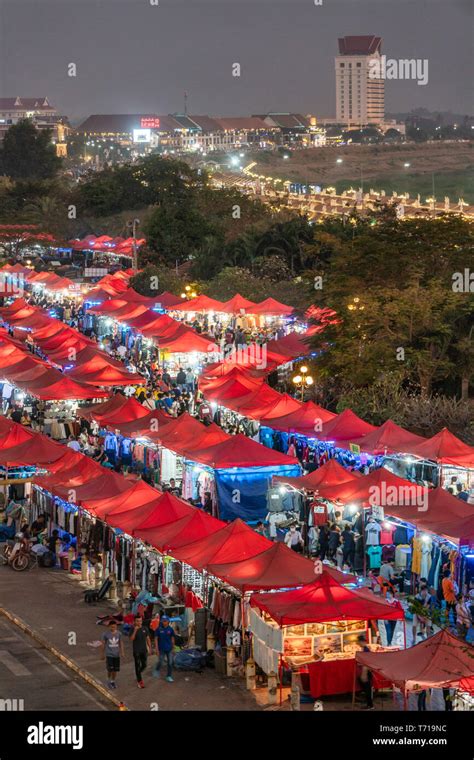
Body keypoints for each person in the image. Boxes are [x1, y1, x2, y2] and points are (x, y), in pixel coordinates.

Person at [101, 620, 124, 689]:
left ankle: (112, 681)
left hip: (116, 655)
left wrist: (122, 652)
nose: (113, 628)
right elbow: (103, 644)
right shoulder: (105, 634)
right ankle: (108, 680)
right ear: (109, 627)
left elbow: (121, 643)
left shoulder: (119, 634)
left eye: (114, 627)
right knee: (110, 669)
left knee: (115, 669)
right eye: (111, 627)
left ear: (116, 626)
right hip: (109, 655)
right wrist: (102, 654)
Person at [130, 616, 152, 688]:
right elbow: (131, 639)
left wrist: (150, 648)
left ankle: (138, 673)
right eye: (137, 621)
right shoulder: (132, 628)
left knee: (144, 665)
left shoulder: (145, 628)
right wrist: (135, 630)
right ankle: (140, 681)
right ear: (134, 622)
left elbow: (148, 638)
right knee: (137, 665)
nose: (139, 622)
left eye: (140, 621)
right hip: (136, 650)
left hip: (144, 650)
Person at [153, 615, 175, 682]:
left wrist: (173, 647)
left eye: (165, 621)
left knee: (170, 663)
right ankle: (157, 669)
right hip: (161, 649)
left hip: (169, 649)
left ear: (168, 621)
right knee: (160, 661)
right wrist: (156, 649)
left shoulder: (170, 629)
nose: (164, 622)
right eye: (163, 621)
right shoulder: (158, 629)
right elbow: (156, 639)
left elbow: (172, 638)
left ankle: (168, 676)